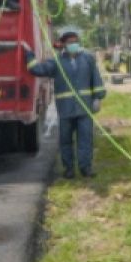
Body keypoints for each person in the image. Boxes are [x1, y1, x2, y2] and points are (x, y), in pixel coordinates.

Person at [23, 31, 106, 179]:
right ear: (63, 45)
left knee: (86, 140)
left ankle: (85, 168)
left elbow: (96, 79)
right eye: (70, 42)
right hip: (66, 110)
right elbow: (36, 69)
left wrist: (98, 98)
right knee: (65, 141)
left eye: (75, 41)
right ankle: (68, 169)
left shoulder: (88, 59)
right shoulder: (56, 62)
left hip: (84, 109)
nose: (73, 44)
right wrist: (29, 53)